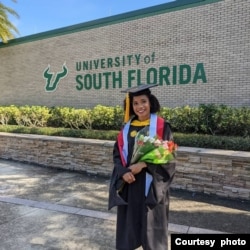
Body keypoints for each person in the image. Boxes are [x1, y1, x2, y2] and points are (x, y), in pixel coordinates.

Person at [108, 83, 176, 250]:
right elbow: (117, 155)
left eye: (143, 101)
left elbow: (169, 157)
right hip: (129, 186)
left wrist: (144, 164)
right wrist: (123, 172)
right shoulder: (126, 128)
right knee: (128, 231)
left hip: (151, 187)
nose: (140, 107)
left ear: (150, 102)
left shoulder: (161, 126)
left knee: (152, 231)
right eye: (135, 103)